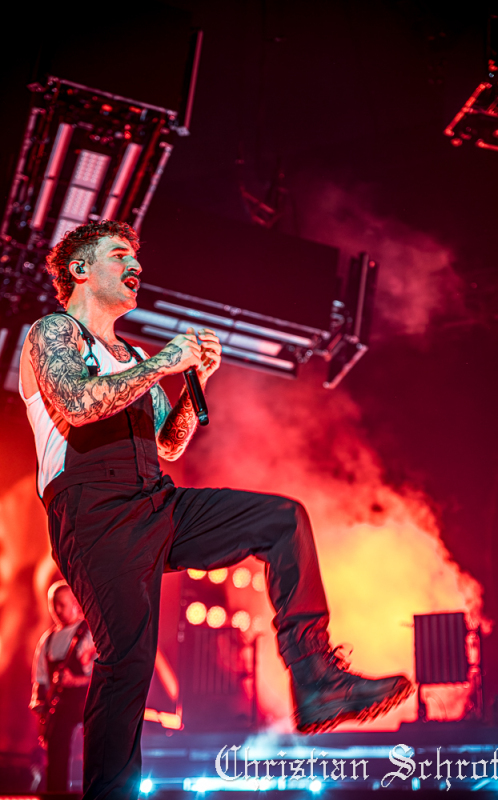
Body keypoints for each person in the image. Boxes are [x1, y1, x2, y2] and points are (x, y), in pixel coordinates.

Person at [19, 220, 413, 799]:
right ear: (80, 269)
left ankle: (316, 679)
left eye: (135, 257)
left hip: (155, 499)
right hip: (93, 511)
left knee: (282, 520)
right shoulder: (54, 332)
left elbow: (169, 443)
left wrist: (191, 383)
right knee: (128, 662)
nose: (135, 266)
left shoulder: (130, 354)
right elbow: (78, 403)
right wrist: (162, 365)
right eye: (119, 255)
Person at [30, 580, 95, 791]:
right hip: (59, 708)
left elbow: (103, 675)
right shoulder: (48, 639)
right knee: (56, 754)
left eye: (62, 604)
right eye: (53, 605)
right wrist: (40, 703)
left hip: (86, 705)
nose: (57, 610)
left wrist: (75, 681)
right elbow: (40, 676)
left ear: (75, 603)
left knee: (91, 751)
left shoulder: (89, 633)